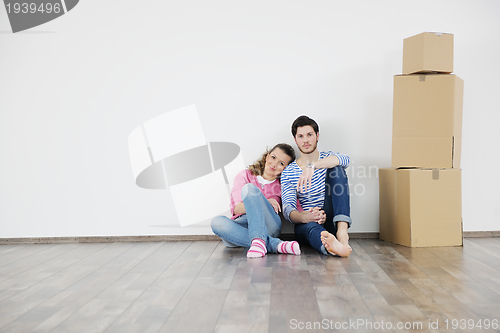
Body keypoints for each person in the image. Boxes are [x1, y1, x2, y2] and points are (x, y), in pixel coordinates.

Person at [211, 143, 301, 258]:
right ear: (267, 156)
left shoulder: (283, 185)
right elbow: (237, 208)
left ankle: (261, 242)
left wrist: (312, 214)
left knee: (249, 189)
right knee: (217, 222)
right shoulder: (245, 175)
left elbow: (295, 208)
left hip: (269, 226)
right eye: (273, 157)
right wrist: (265, 202)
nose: (274, 164)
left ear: (286, 168)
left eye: (281, 163)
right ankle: (275, 245)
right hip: (242, 225)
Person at [280, 115, 351, 257]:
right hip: (307, 223)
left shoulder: (328, 158)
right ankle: (331, 246)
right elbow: (288, 209)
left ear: (317, 136)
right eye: (300, 136)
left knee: (337, 169)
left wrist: (312, 166)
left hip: (332, 219)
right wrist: (306, 217)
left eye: (309, 135)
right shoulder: (288, 172)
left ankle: (342, 234)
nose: (305, 140)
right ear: (295, 139)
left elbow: (345, 159)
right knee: (311, 228)